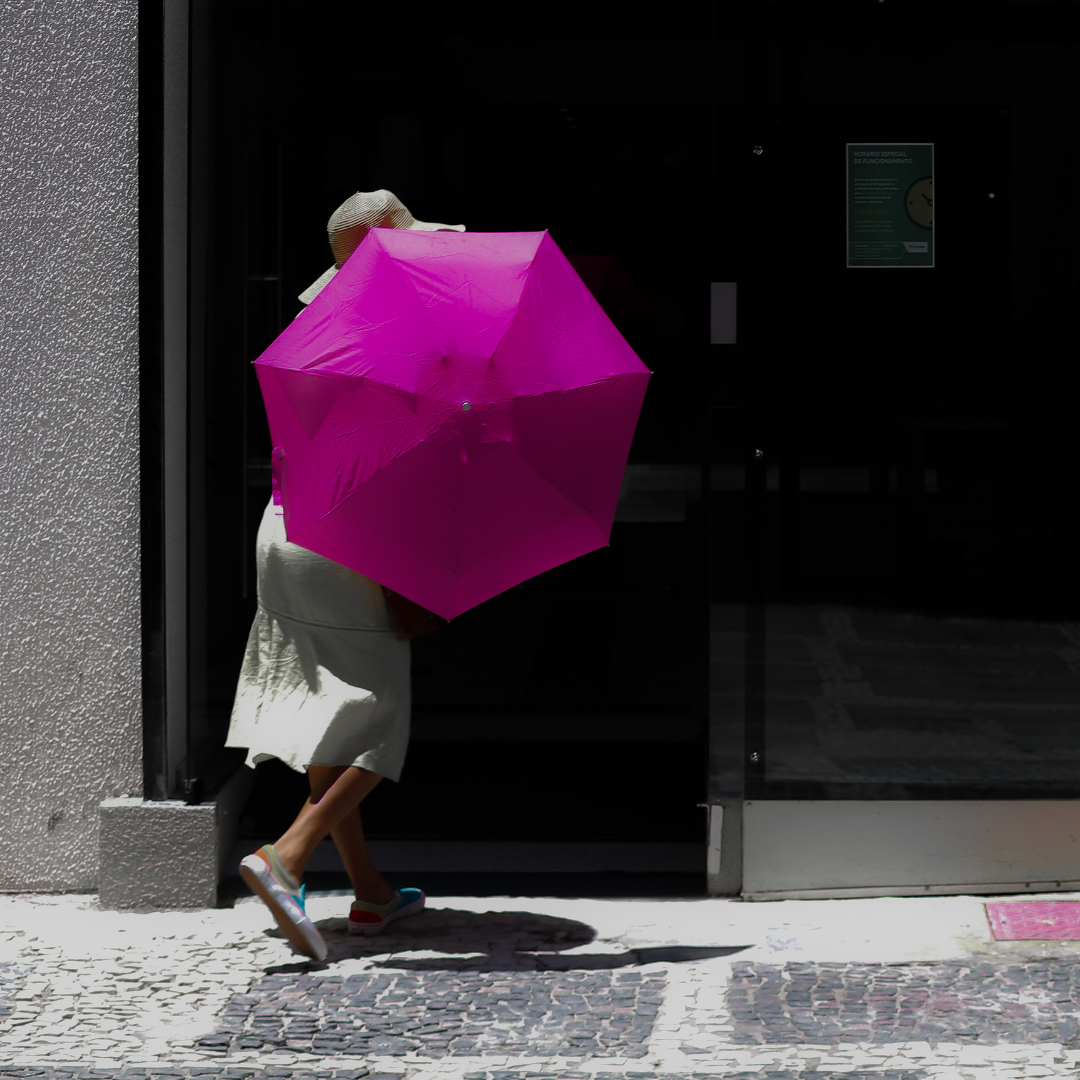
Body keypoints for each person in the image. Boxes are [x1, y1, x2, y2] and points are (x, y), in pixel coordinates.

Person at [225, 190, 466, 961]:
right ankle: (287, 856)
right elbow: (402, 458)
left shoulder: (316, 332)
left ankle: (369, 895)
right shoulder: (398, 343)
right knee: (377, 714)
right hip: (348, 542)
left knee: (337, 712)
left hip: (283, 533)